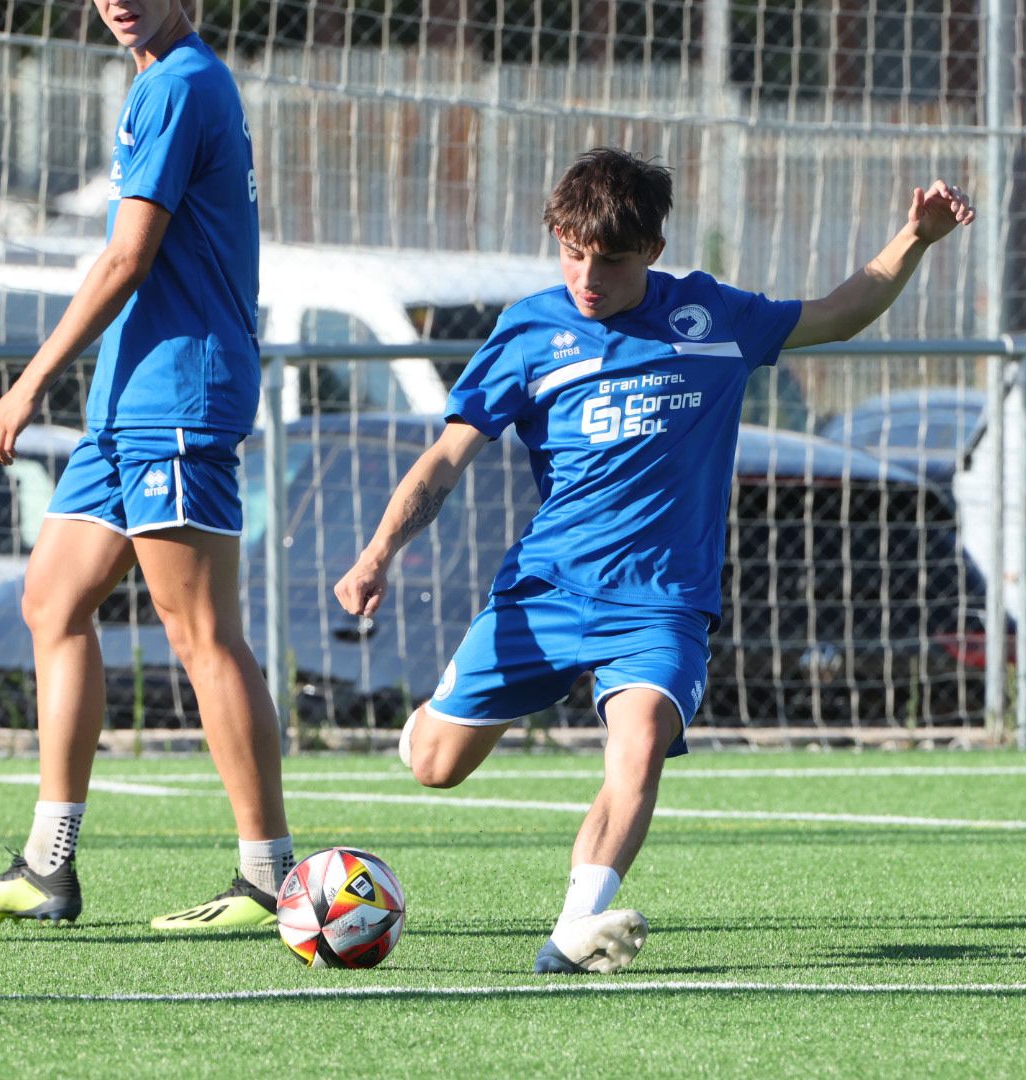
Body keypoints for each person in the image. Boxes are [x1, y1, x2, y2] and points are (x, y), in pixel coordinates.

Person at [334, 147, 975, 974]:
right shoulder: (530, 330)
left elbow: (840, 312)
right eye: (570, 251)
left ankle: (575, 928)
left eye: (610, 259)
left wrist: (912, 239)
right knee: (435, 767)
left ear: (654, 253)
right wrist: (379, 552)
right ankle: (429, 722)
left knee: (636, 744)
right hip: (547, 589)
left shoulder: (713, 319)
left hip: (661, 603)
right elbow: (448, 457)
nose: (586, 276)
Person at [0, 0, 294, 930]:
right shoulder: (157, 77)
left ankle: (269, 877)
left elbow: (127, 258)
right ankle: (47, 866)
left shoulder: (180, 81)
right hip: (126, 403)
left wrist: (28, 385)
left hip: (178, 398)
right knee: (52, 602)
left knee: (201, 633)